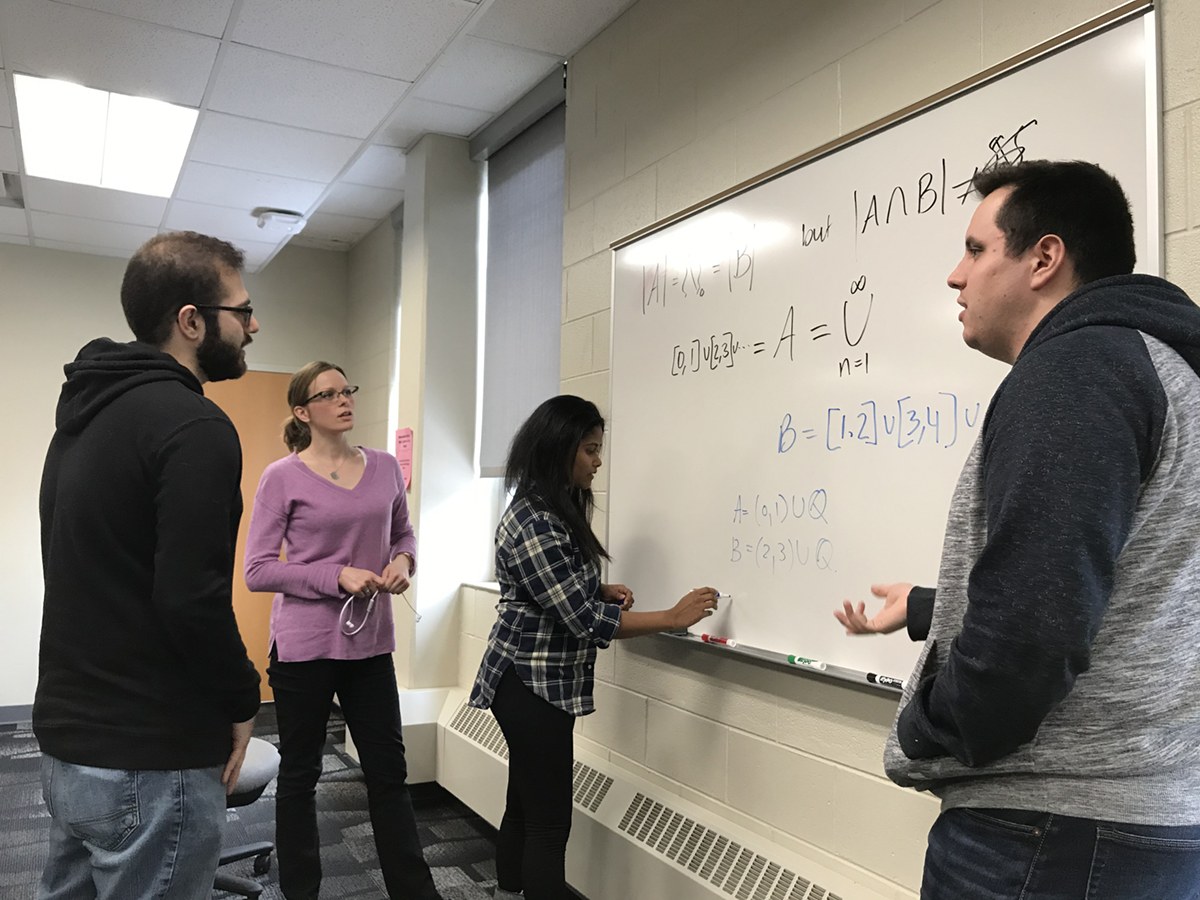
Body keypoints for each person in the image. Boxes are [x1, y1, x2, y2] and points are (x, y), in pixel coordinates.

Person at [837, 160, 1200, 898]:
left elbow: (1032, 636)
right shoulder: (1164, 370)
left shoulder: (1077, 371)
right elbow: (1139, 590)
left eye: (976, 250)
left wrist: (925, 730)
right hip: (1148, 819)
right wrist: (929, 607)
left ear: (1044, 258)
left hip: (1050, 833)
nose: (955, 276)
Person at [34, 231, 263, 899]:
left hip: (72, 745)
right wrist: (241, 697)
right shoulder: (194, 426)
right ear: (191, 321)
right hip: (152, 754)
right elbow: (191, 598)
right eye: (242, 311)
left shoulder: (82, 419)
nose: (253, 327)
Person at [469, 394, 720, 900]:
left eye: (598, 449)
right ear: (558, 449)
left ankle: (507, 891)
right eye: (589, 450)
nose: (598, 462)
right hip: (530, 684)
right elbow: (583, 620)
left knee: (524, 804)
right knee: (549, 825)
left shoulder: (549, 507)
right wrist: (671, 618)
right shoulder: (537, 521)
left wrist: (596, 587)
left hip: (532, 681)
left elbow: (548, 589)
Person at [243, 361, 441, 900]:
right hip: (305, 649)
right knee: (300, 775)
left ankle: (415, 892)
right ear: (302, 412)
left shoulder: (384, 467)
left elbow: (404, 534)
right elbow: (258, 570)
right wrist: (337, 576)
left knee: (388, 774)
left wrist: (403, 561)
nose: (344, 399)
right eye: (328, 394)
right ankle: (300, 892)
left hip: (370, 646)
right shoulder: (281, 477)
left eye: (346, 390)